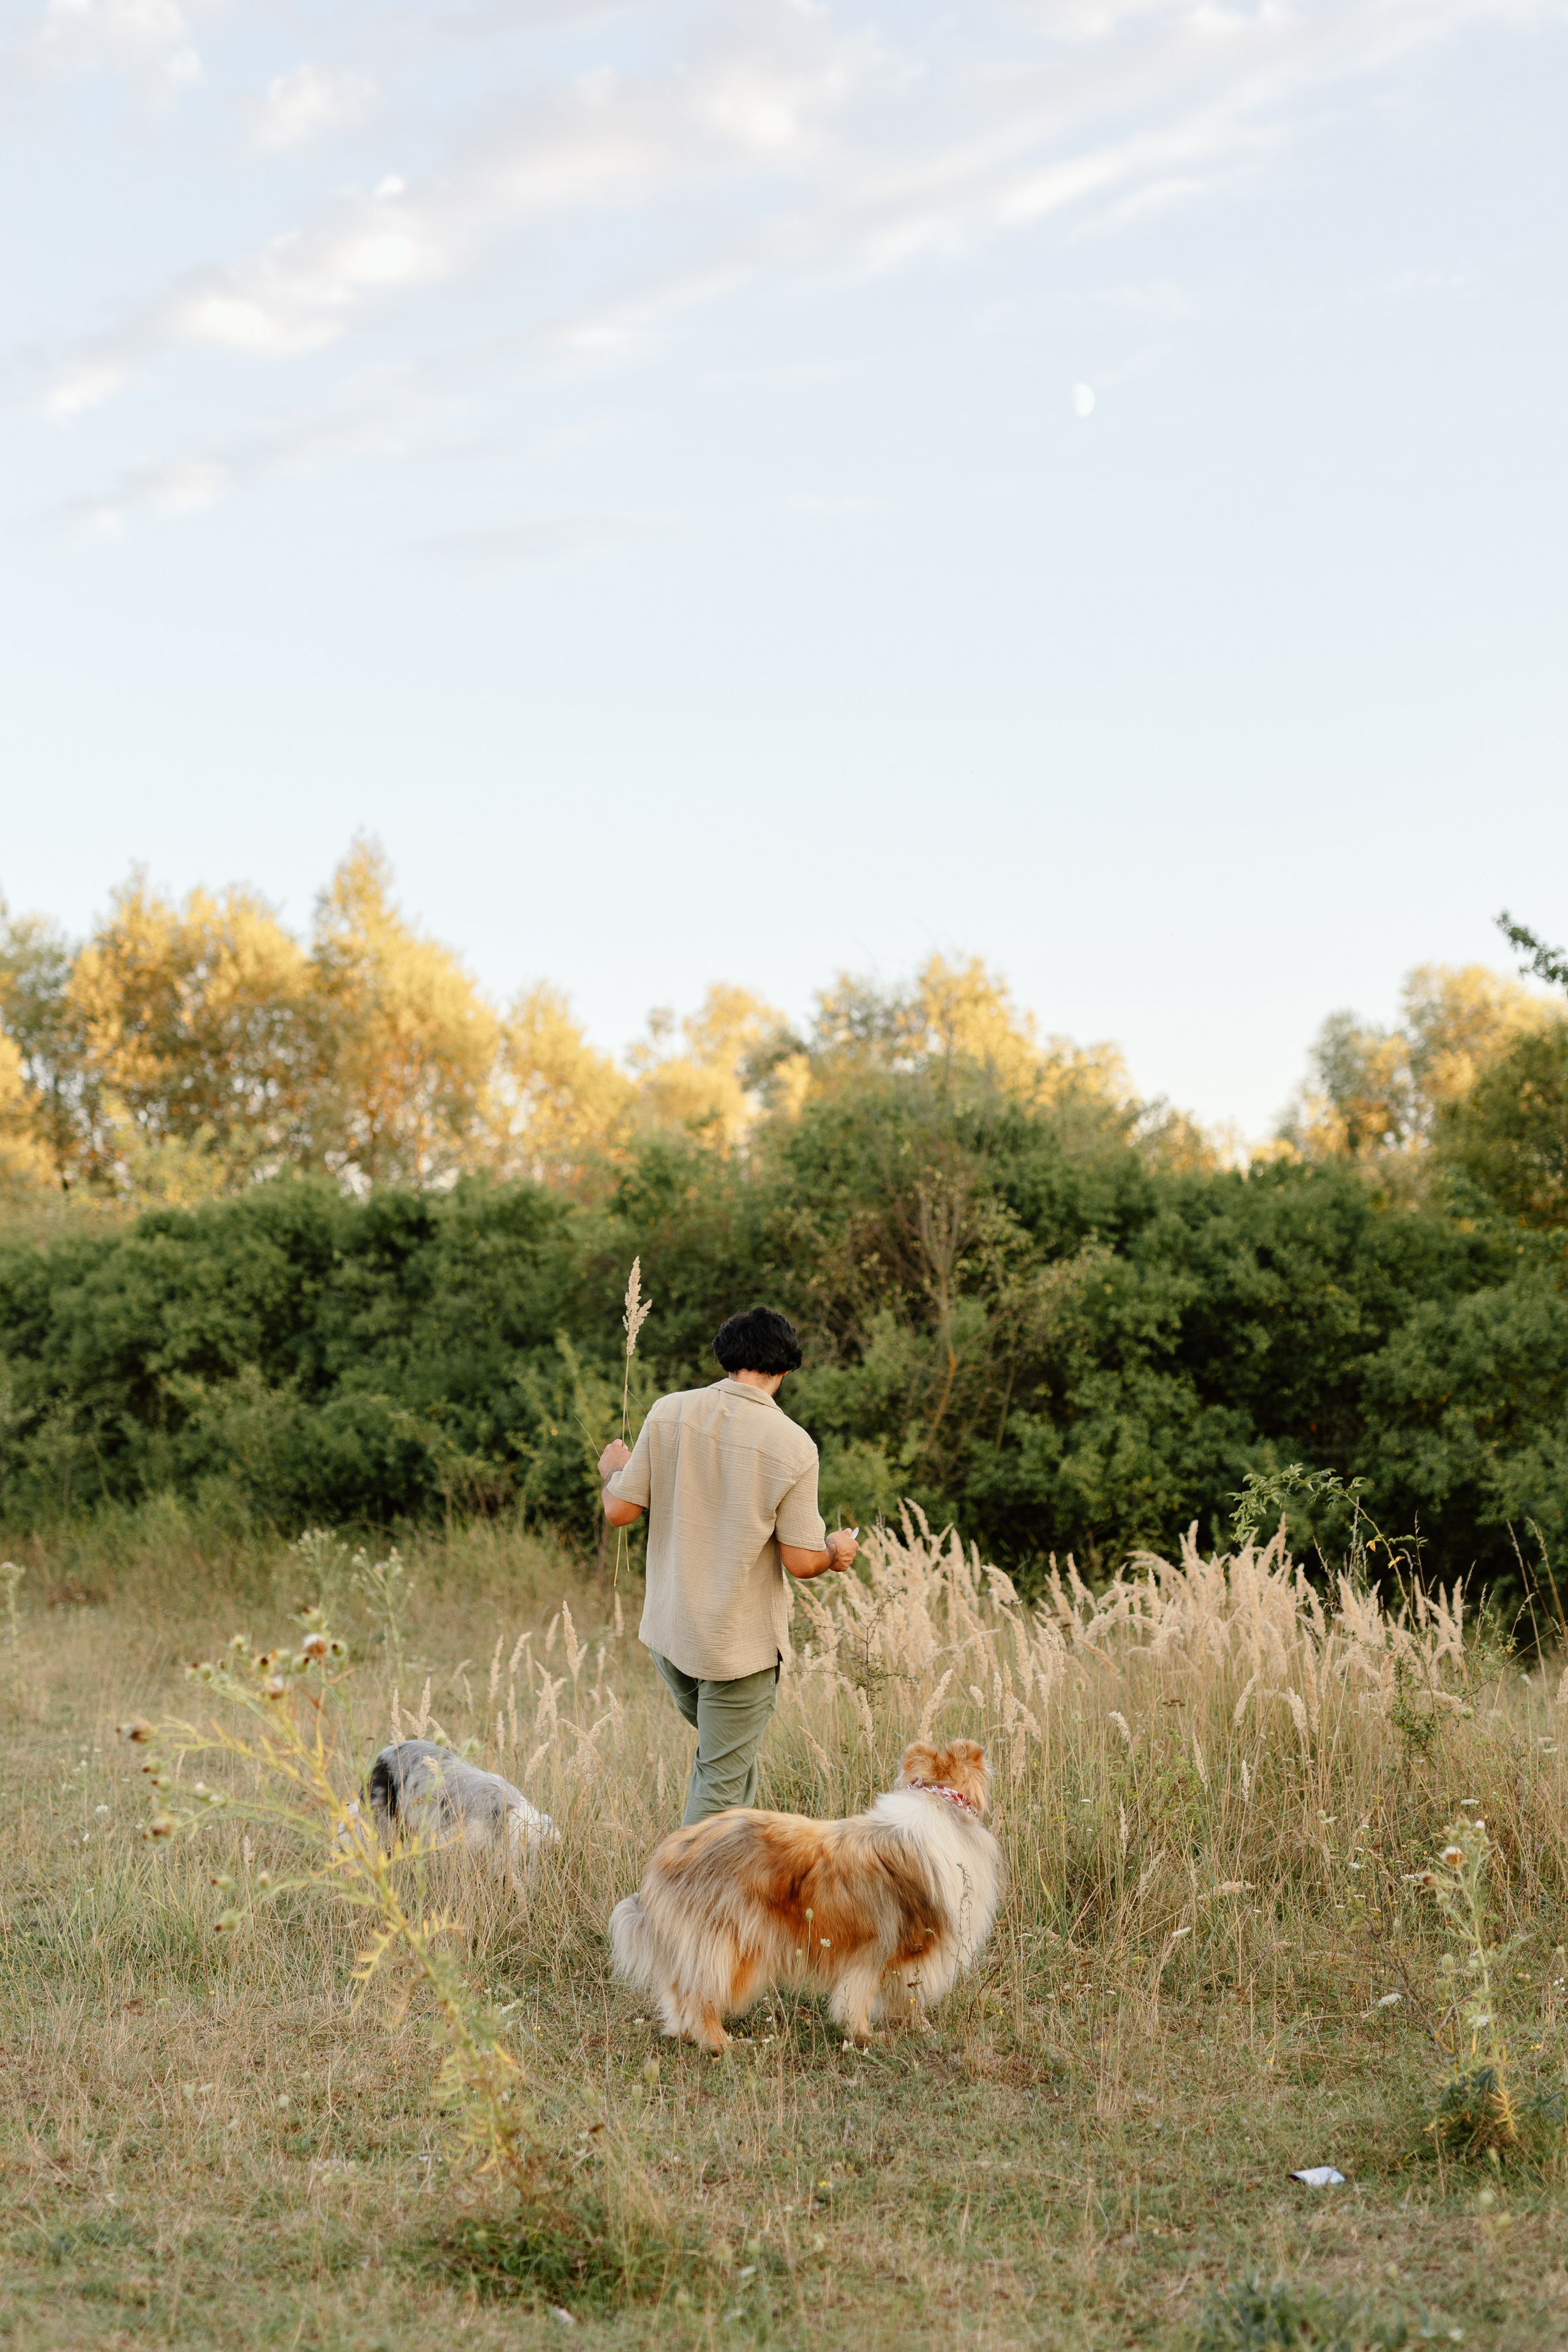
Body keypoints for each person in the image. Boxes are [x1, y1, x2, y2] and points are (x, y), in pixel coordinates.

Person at [597, 1305, 858, 1825]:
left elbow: (619, 1511)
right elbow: (802, 1561)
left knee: (731, 1768)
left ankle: (736, 1889)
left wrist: (611, 1470)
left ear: (726, 1356)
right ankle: (679, 1902)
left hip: (672, 1636)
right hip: (737, 1649)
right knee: (720, 1784)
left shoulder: (669, 1411)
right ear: (786, 1369)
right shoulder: (793, 1444)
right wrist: (836, 1552)